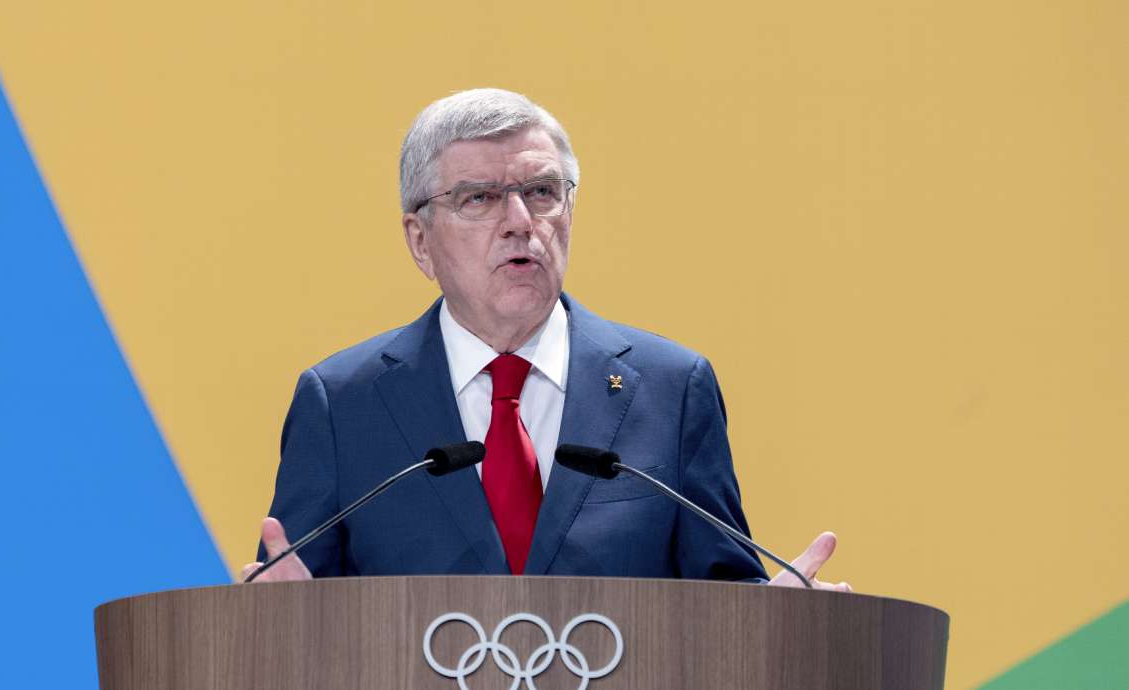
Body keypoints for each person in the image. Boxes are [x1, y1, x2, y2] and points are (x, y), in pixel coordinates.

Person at [243, 88, 850, 592]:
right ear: (420, 241)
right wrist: (281, 622)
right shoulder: (343, 402)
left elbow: (723, 608)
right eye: (478, 198)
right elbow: (296, 616)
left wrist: (776, 623)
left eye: (541, 192)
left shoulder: (672, 390)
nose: (521, 222)